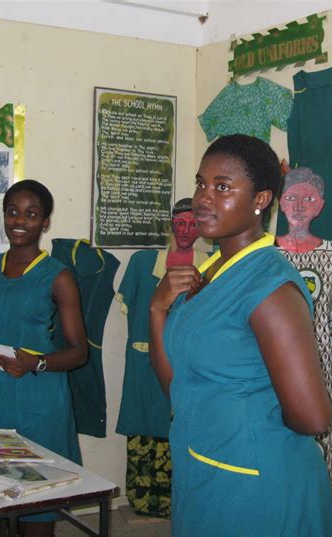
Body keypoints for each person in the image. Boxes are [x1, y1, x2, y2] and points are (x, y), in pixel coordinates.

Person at [149, 135, 332, 536]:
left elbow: (312, 416)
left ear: (261, 199)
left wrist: (246, 418)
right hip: (204, 468)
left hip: (256, 485)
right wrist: (157, 308)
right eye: (201, 183)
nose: (203, 198)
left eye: (222, 187)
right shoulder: (211, 270)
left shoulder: (269, 287)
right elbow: (178, 386)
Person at [0, 179, 87, 537]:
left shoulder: (58, 277)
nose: (20, 220)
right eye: (13, 211)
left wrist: (37, 362)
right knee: (2, 504)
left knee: (37, 512)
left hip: (39, 404)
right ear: (3, 216)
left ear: (45, 222)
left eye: (31, 214)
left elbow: (78, 352)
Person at [115, 198, 208, 518]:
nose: (185, 230)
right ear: (171, 224)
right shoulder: (143, 263)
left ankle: (176, 503)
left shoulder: (211, 263)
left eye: (192, 223)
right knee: (143, 427)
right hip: (142, 362)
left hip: (188, 363)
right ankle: (141, 501)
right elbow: (131, 308)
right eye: (180, 223)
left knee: (181, 427)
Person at [277, 167, 332, 479]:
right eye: (291, 197)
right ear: (280, 202)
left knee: (315, 453)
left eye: (308, 198)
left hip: (317, 363)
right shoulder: (266, 252)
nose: (298, 206)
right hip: (269, 360)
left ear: (320, 205)